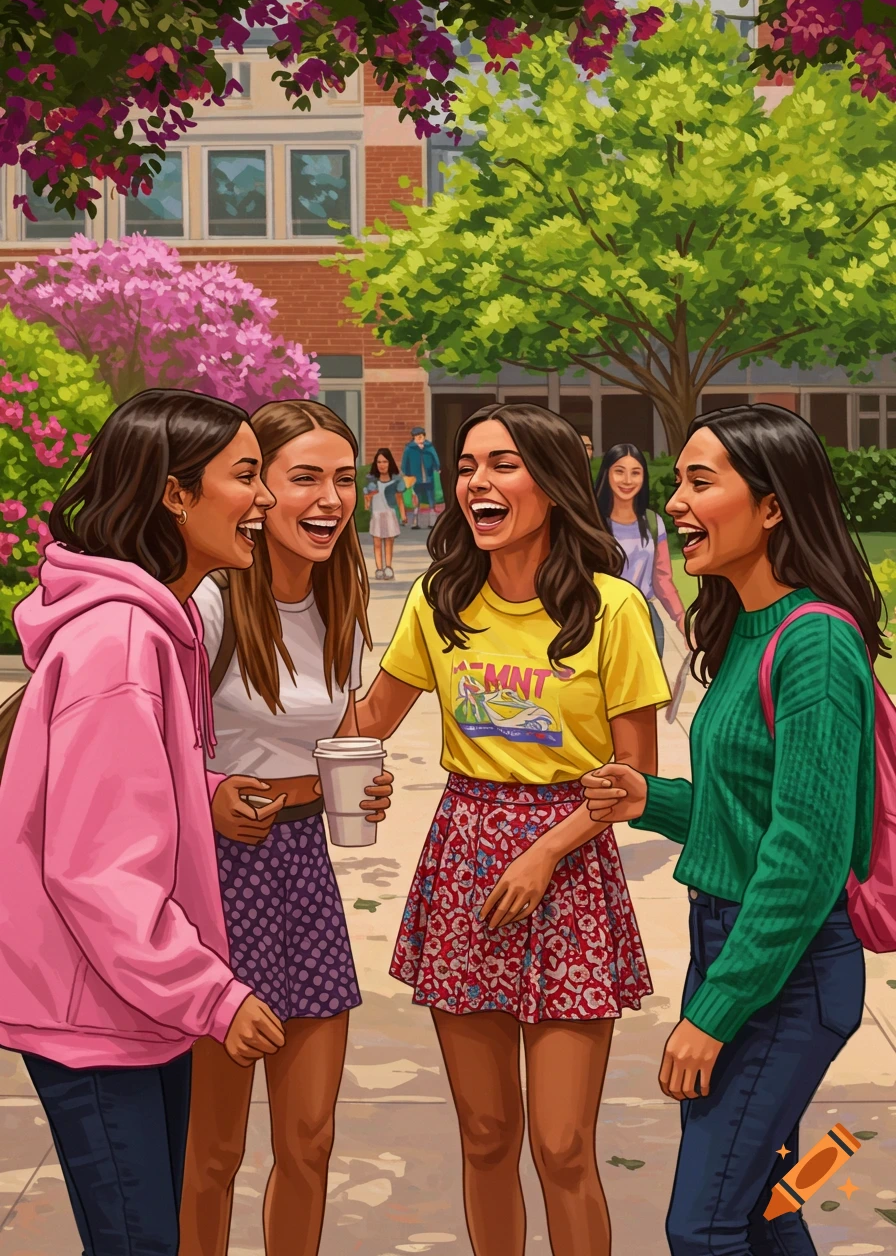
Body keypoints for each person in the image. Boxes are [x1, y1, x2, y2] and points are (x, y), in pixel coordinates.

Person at [355, 402, 670, 1256]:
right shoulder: (439, 597)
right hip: (464, 860)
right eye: (466, 467)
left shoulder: (612, 609)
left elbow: (634, 780)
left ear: (553, 485)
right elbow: (369, 718)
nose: (476, 484)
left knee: (563, 1146)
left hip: (567, 865)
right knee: (487, 1136)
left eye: (501, 465)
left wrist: (545, 851)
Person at [583, 403, 877, 1256]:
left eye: (700, 482)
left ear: (774, 505)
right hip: (736, 946)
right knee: (760, 1205)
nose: (675, 502)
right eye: (677, 483)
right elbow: (748, 810)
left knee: (703, 1225)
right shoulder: (747, 630)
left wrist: (713, 1014)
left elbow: (803, 856)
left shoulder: (814, 642)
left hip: (781, 966)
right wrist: (650, 799)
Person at [0, 388, 287, 1256]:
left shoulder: (150, 629)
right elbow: (94, 871)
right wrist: (211, 993)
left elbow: (105, 781)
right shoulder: (122, 640)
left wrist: (199, 789)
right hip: (96, 1013)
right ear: (175, 493)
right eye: (246, 476)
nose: (265, 499)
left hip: (132, 1005)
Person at [181, 399, 394, 1256]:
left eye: (343, 479)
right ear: (257, 489)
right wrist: (208, 791)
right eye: (304, 476)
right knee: (214, 1149)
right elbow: (148, 750)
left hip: (305, 866)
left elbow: (340, 734)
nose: (330, 498)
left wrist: (359, 784)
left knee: (309, 1142)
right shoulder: (206, 607)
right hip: (214, 879)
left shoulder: (342, 599)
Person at [594, 442, 686, 657]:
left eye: (635, 473)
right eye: (619, 472)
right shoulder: (592, 522)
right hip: (600, 617)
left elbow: (662, 579)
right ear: (607, 474)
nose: (627, 480)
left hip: (645, 617)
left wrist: (682, 619)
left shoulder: (653, 522)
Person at [364, 446, 406, 580]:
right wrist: (369, 498)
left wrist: (403, 515)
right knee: (377, 542)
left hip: (390, 514)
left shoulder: (396, 480)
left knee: (389, 542)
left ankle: (388, 567)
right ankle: (379, 568)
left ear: (390, 463)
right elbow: (366, 505)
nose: (382, 465)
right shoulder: (371, 481)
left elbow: (400, 499)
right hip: (376, 515)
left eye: (385, 462)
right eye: (379, 462)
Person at [401, 425, 440, 530]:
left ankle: (432, 522)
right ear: (413, 437)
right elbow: (405, 462)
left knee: (431, 498)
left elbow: (435, 457)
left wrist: (437, 467)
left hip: (428, 477)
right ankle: (415, 522)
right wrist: (406, 473)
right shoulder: (410, 448)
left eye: (421, 436)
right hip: (416, 478)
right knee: (416, 499)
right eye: (417, 436)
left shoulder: (429, 447)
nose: (420, 438)